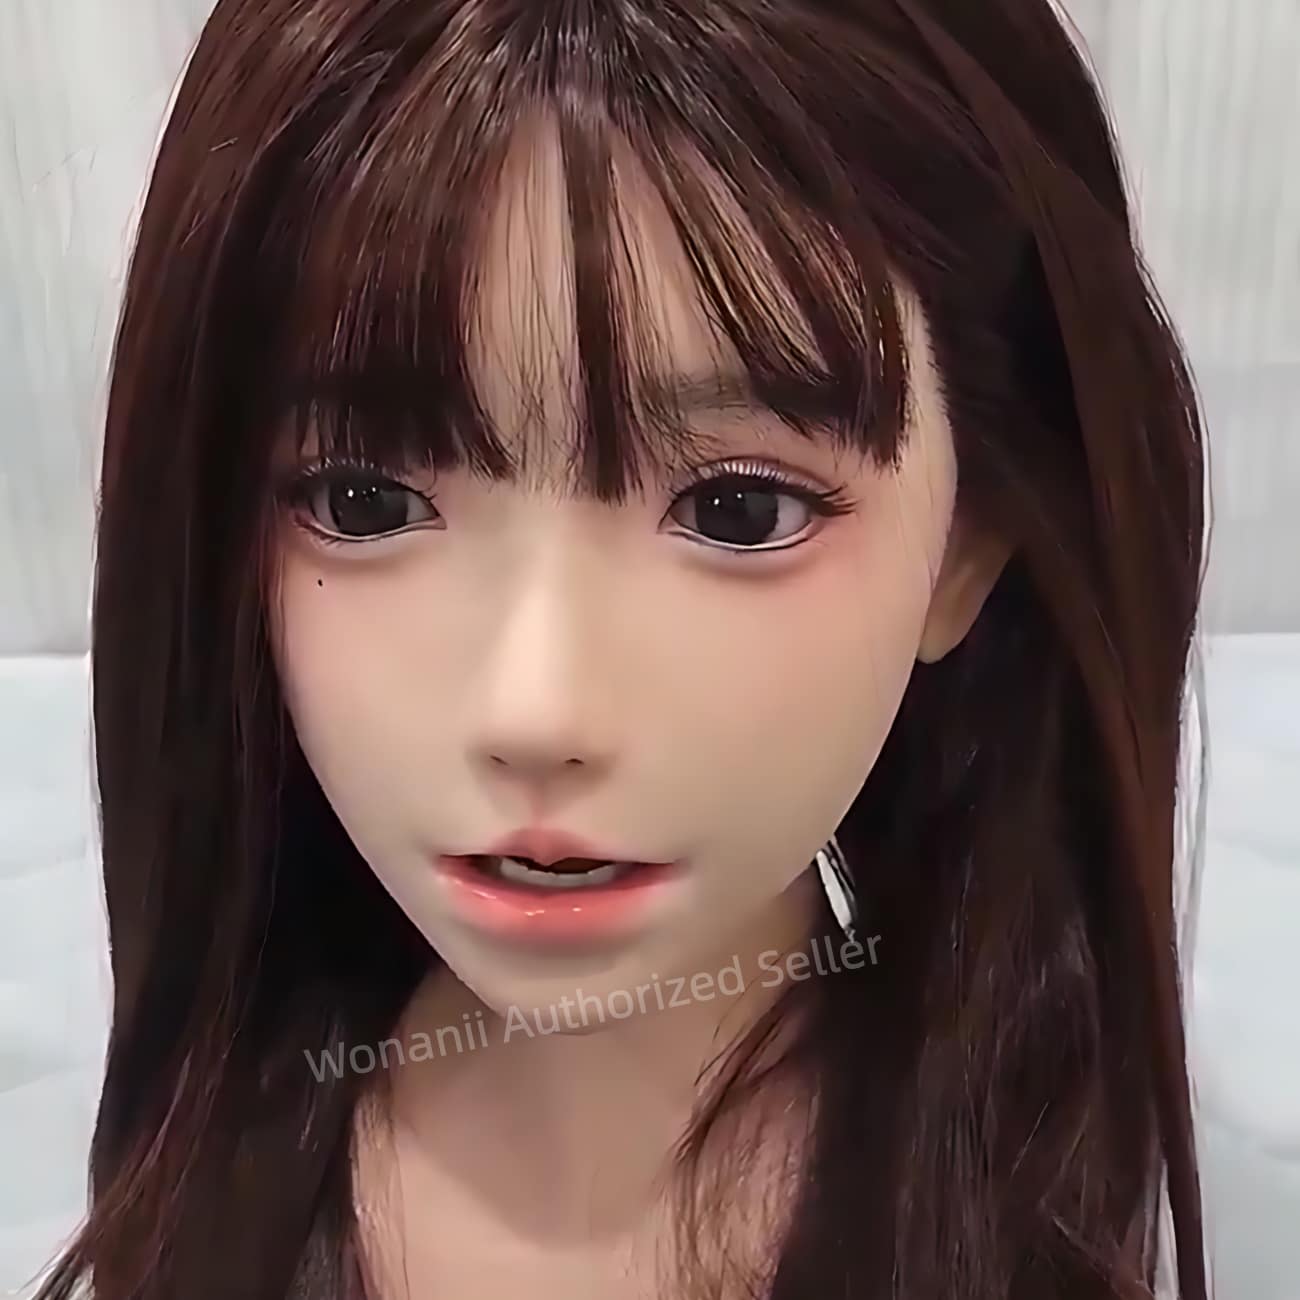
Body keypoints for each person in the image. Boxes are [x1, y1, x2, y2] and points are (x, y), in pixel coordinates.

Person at [36, 0, 1210, 1296]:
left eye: (740, 510)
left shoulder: (995, 1206)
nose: (538, 710)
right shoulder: (232, 1185)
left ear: (970, 545)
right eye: (362, 503)